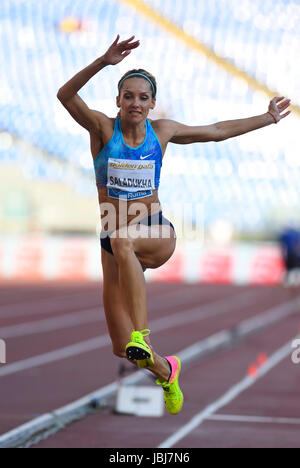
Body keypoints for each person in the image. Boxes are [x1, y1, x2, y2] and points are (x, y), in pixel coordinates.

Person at [57, 35, 291, 415]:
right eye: (128, 95)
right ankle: (167, 370)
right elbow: (65, 96)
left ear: (152, 104)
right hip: (112, 241)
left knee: (124, 242)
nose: (135, 102)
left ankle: (143, 334)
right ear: (118, 100)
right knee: (121, 349)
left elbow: (215, 131)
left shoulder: (162, 132)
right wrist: (103, 61)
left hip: (154, 233)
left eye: (143, 97)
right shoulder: (101, 128)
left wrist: (266, 118)